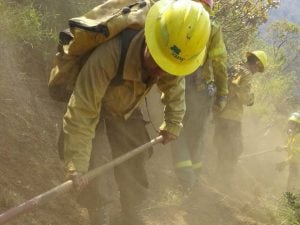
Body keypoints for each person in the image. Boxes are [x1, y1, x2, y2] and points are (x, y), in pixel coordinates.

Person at [61, 1, 211, 225]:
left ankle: (130, 212)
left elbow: (175, 86)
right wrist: (76, 166)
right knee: (86, 159)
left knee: (135, 157)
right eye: (158, 62)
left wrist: (173, 122)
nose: (161, 71)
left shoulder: (172, 55)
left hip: (126, 105)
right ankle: (97, 209)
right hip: (93, 100)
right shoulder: (108, 56)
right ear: (150, 39)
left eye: (169, 67)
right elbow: (81, 112)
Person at [170, 0, 228, 193]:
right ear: (210, 6)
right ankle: (191, 180)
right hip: (200, 89)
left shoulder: (179, 16)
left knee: (176, 129)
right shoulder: (212, 27)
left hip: (174, 83)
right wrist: (222, 94)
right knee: (196, 135)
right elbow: (219, 62)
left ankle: (186, 179)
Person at [213, 50, 267, 189]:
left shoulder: (235, 67)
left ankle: (218, 178)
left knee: (222, 147)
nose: (257, 71)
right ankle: (225, 182)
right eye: (258, 68)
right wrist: (251, 99)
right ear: (256, 63)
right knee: (236, 149)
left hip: (219, 113)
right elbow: (244, 98)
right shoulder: (247, 74)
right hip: (232, 117)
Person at [276, 112, 300, 193]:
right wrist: (281, 148)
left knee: (293, 182)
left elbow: (296, 156)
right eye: (291, 123)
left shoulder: (298, 137)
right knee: (292, 180)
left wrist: (284, 163)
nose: (291, 126)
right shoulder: (293, 135)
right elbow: (290, 147)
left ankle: (291, 200)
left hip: (296, 164)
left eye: (294, 124)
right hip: (294, 164)